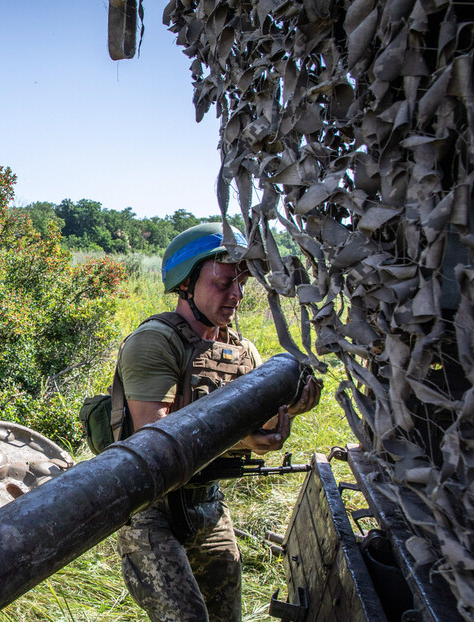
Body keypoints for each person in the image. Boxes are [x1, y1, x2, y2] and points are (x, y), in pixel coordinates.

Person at [111, 223, 322, 622]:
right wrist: (246, 440)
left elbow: (254, 421)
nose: (236, 295)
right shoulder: (154, 343)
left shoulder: (243, 351)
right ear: (186, 284)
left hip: (207, 503)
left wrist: (289, 409)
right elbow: (154, 444)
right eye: (224, 283)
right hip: (151, 511)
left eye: (241, 284)